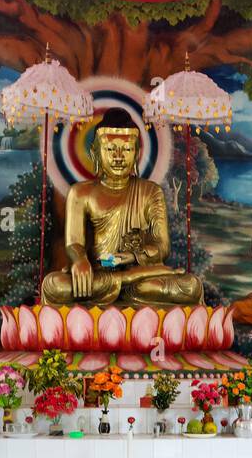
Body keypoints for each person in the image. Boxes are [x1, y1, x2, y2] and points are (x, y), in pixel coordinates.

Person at [41, 107, 202, 309]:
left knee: (190, 286)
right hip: (100, 271)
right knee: (54, 285)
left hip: (141, 279)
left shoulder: (150, 192)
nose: (118, 156)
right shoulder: (80, 193)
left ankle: (125, 281)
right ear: (96, 152)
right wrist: (81, 260)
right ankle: (123, 282)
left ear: (136, 154)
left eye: (126, 149)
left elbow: (162, 247)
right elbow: (74, 243)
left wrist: (131, 257)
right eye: (110, 149)